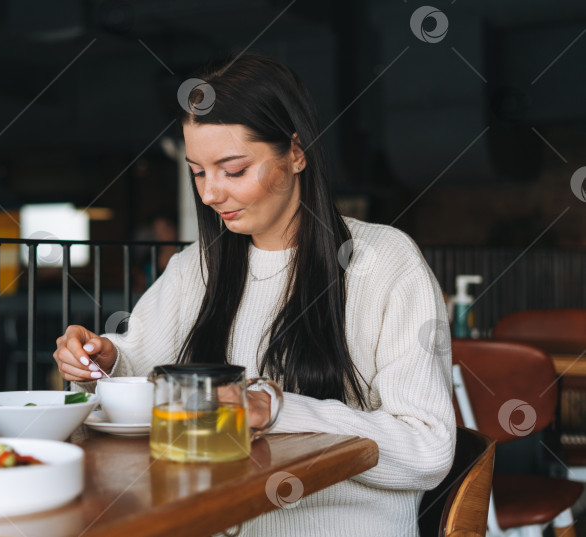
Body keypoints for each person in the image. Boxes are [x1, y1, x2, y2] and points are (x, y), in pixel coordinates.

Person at [53, 52, 455, 537]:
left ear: (297, 152)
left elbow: (427, 448)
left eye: (234, 170)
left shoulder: (384, 262)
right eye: (199, 172)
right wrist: (103, 360)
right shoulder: (197, 268)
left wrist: (276, 409)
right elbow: (139, 370)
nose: (210, 194)